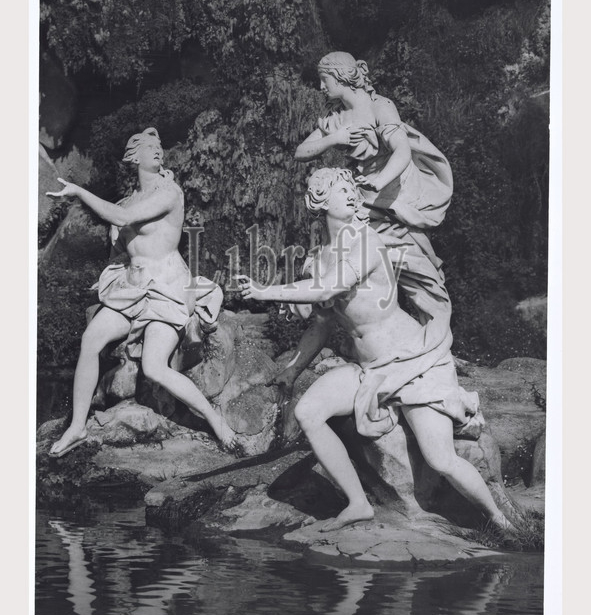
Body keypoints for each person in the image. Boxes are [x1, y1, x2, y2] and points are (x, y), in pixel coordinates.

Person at [237, 168, 514, 534]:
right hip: (370, 370)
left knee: (440, 458)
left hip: (413, 362)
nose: (352, 195)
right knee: (308, 412)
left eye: (353, 190)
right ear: (319, 200)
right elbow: (321, 324)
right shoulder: (318, 259)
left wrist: (265, 291)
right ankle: (358, 504)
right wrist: (293, 369)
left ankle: (501, 521)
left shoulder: (366, 242)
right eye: (341, 190)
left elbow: (328, 289)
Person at [46, 127, 239, 457]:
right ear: (134, 157)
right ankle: (77, 426)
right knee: (90, 340)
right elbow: (122, 249)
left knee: (154, 366)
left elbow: (123, 218)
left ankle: (215, 420)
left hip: (165, 290)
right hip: (132, 289)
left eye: (159, 145)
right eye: (150, 146)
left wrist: (78, 191)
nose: (158, 150)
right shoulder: (127, 201)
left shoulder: (170, 193)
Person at [295, 51, 453, 350]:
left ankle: (435, 342)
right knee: (356, 262)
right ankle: (376, 341)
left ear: (341, 76)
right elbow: (301, 152)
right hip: (362, 200)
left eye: (324, 79)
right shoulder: (335, 118)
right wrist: (334, 139)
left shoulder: (380, 107)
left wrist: (380, 181)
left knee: (417, 266)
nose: (321, 87)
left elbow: (402, 152)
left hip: (394, 196)